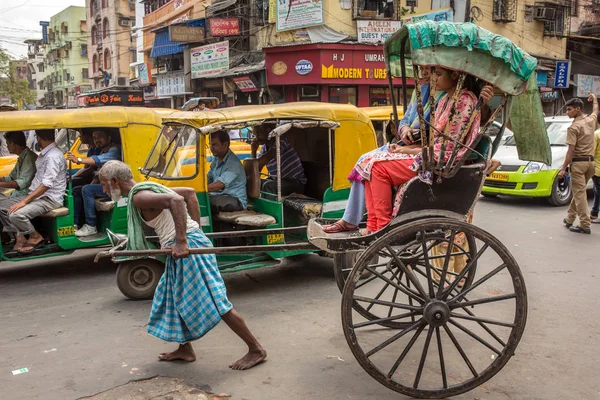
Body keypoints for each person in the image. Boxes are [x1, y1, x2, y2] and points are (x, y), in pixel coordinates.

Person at [98, 160, 267, 369]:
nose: (104, 189)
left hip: (186, 250)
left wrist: (182, 240)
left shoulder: (140, 197)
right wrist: (193, 231)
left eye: (104, 184)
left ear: (115, 181)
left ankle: (256, 349)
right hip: (183, 246)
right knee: (173, 297)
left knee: (217, 302)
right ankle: (185, 349)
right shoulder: (146, 190)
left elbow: (178, 201)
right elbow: (189, 193)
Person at [361, 68, 482, 233]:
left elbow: (449, 146)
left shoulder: (463, 101)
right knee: (369, 162)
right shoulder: (446, 98)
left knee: (378, 168)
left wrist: (409, 152)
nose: (433, 79)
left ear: (455, 75)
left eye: (438, 74)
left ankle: (381, 226)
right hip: (430, 154)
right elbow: (434, 139)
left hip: (443, 160)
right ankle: (372, 225)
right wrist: (409, 148)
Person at [0, 129, 66, 254]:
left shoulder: (53, 156)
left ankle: (35, 236)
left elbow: (46, 185)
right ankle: (17, 236)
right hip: (36, 196)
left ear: (39, 137)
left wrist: (24, 201)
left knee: (16, 214)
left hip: (48, 199)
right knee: (2, 206)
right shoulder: (45, 154)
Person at [67, 130, 122, 237]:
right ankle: (75, 224)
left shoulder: (114, 150)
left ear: (109, 138)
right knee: (77, 190)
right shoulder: (101, 150)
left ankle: (91, 225)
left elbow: (97, 160)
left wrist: (77, 159)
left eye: (100, 137)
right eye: (95, 138)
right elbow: (97, 172)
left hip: (114, 187)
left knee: (87, 190)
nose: (97, 140)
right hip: (106, 185)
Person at [559, 93, 598, 234]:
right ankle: (570, 218)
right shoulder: (590, 121)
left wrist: (563, 169)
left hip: (579, 164)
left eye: (569, 109)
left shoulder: (573, 128)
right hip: (590, 164)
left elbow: (570, 151)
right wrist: (594, 99)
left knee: (580, 194)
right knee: (579, 192)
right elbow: (595, 110)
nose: (567, 112)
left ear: (577, 109)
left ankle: (584, 224)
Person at [251, 124, 307, 196]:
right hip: (279, 181)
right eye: (255, 134)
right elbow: (256, 168)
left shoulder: (280, 140)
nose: (257, 138)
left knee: (267, 186)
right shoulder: (264, 149)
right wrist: (253, 151)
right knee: (257, 184)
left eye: (258, 133)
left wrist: (255, 162)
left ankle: (269, 207)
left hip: (296, 182)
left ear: (268, 129)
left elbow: (264, 159)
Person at [208, 130, 247, 213]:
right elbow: (209, 177)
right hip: (221, 196)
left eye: (214, 144)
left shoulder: (233, 163)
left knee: (206, 202)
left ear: (225, 144)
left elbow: (218, 185)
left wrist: (200, 189)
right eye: (210, 144)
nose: (211, 148)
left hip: (235, 200)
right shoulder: (216, 160)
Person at [0, 131, 38, 198]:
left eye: (7, 144)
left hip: (25, 196)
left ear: (13, 144)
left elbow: (20, 183)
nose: (7, 146)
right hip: (17, 194)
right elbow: (11, 178)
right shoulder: (22, 157)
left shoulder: (29, 158)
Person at [591, 117, 600, 223]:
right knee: (596, 191)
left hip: (597, 168)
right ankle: (594, 212)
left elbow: (592, 152)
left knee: (598, 191)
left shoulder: (596, 134)